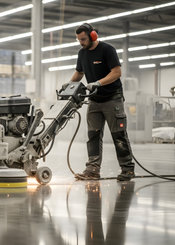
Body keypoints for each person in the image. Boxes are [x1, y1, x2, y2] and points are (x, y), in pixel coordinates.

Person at [65, 23, 135, 181]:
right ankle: (92, 170)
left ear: (93, 36)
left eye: (83, 39)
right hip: (94, 100)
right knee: (93, 135)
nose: (81, 42)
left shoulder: (107, 49)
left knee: (119, 135)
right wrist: (69, 85)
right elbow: (79, 72)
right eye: (79, 40)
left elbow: (117, 72)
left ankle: (127, 169)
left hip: (112, 98)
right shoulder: (82, 53)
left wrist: (98, 83)